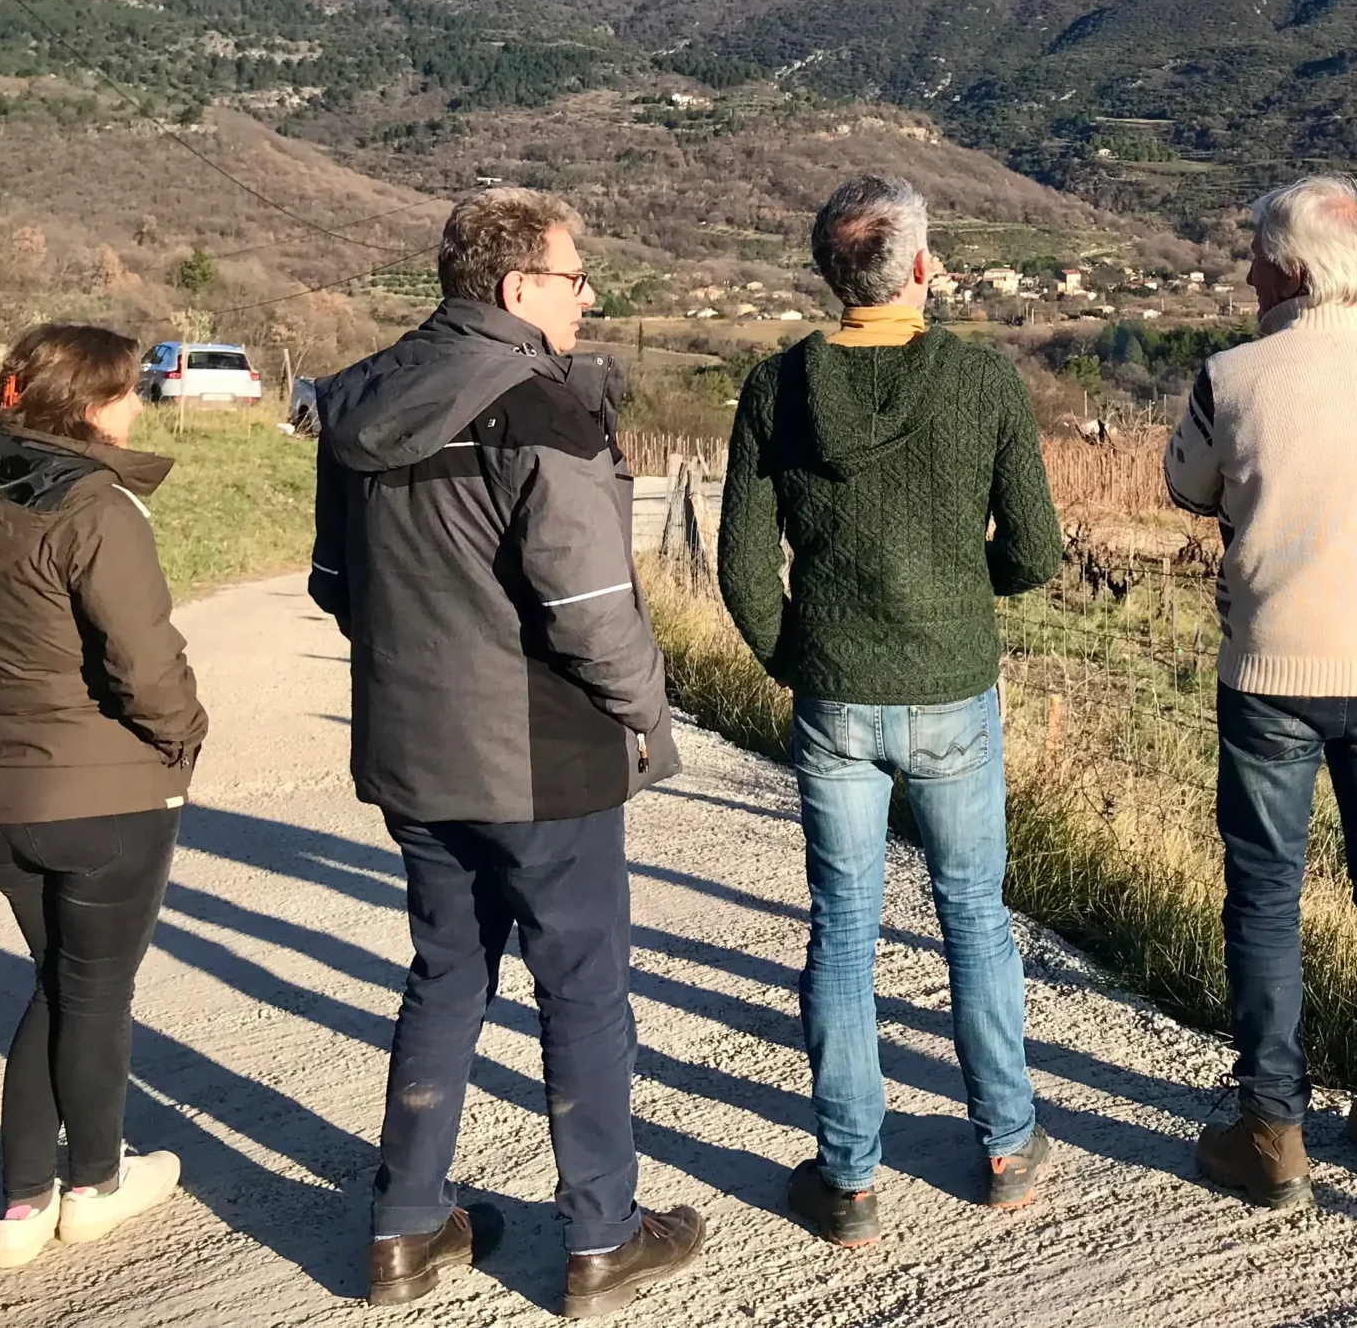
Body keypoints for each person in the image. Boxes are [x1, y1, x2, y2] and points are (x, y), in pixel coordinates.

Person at [309, 189, 703, 1315]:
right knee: (582, 987)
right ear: (518, 287)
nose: (587, 298)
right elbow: (588, 604)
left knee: (444, 972)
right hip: (539, 758)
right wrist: (647, 715)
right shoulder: (542, 406)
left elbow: (336, 587)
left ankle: (405, 1227)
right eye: (576, 279)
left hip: (412, 750)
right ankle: (602, 1236)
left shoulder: (357, 406)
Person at [717, 172, 1062, 1248]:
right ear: (919, 267)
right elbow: (1038, 553)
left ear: (833, 274)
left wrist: (799, 655)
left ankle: (851, 1177)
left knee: (842, 931)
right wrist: (965, 603)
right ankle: (1006, 1144)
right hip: (952, 687)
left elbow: (738, 564)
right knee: (972, 917)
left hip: (835, 696)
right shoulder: (985, 383)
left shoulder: (775, 390)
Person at [1163, 175, 1357, 1209]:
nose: (1243, 272)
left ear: (1290, 270)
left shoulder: (1232, 376)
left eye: (1253, 254)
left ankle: (1272, 1131)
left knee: (1265, 896)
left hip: (1270, 674)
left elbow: (1184, 484)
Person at [0, 324, 207, 1268]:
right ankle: (93, 1182)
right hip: (106, 798)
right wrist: (182, 740)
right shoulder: (98, 509)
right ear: (92, 405)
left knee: (58, 987)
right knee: (94, 995)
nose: (140, 406)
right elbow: (146, 661)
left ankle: (20, 1205)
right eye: (130, 391)